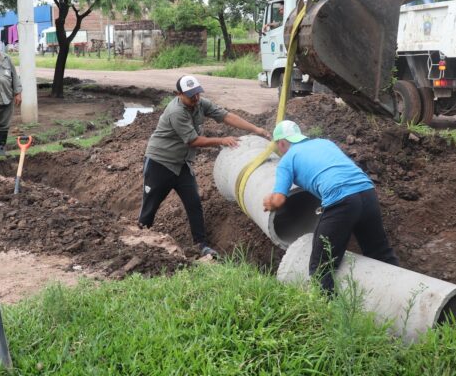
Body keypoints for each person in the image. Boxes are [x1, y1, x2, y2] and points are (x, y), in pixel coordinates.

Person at [139, 75, 271, 257]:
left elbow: (226, 116)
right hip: (160, 163)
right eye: (191, 95)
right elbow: (193, 140)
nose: (196, 98)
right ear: (179, 94)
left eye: (197, 94)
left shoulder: (200, 103)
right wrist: (221, 140)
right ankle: (139, 242)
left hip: (182, 164)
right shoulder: (175, 112)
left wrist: (256, 129)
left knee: (194, 203)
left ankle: (200, 245)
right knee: (151, 205)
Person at [262, 120, 398, 295]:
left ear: (281, 143)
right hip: (367, 191)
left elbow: (279, 200)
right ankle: (402, 293)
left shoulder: (287, 160)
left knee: (321, 265)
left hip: (342, 200)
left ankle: (326, 312)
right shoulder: (324, 143)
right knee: (380, 252)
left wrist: (268, 201)